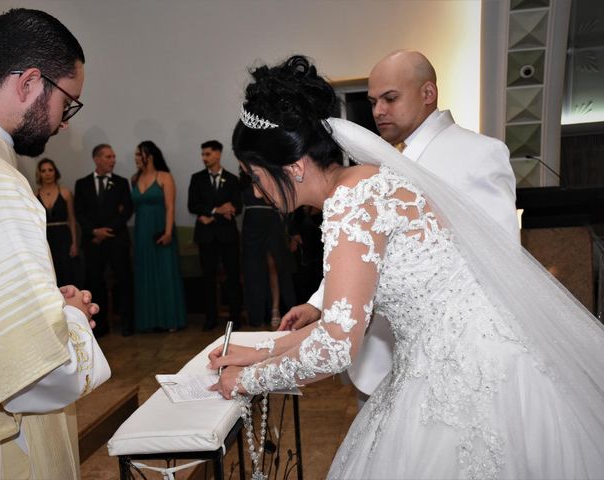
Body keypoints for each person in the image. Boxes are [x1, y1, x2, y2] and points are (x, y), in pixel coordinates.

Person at [209, 55, 604, 479]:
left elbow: (338, 345)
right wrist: (261, 351)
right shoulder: (363, 181)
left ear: (293, 167)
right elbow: (346, 318)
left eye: (254, 175)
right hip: (447, 356)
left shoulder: (353, 201)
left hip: (471, 374)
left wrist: (248, 380)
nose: (254, 188)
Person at [280, 50, 520, 405]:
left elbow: (501, 256)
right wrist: (319, 303)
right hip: (380, 354)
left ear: (428, 93)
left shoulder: (479, 153)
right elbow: (368, 247)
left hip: (453, 358)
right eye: (374, 101)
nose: (378, 111)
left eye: (390, 98)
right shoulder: (375, 161)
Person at [0, 9, 110, 479]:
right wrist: (69, 317)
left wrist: (39, 305)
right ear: (29, 83)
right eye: (68, 102)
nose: (65, 122)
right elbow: (37, 377)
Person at [75, 144, 134, 336]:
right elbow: (80, 213)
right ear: (97, 159)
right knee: (94, 282)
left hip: (117, 240)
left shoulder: (121, 182)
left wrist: (107, 230)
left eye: (114, 157)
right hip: (93, 243)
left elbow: (127, 210)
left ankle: (127, 323)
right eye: (108, 157)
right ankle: (99, 326)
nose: (113, 160)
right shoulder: (82, 184)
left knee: (124, 280)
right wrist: (94, 231)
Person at [131, 140, 187, 332]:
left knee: (165, 274)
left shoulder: (164, 177)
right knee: (145, 273)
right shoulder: (134, 179)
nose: (136, 158)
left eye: (139, 155)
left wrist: (168, 232)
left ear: (150, 156)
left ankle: (169, 320)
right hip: (141, 232)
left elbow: (170, 206)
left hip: (161, 230)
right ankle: (148, 321)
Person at [187, 140, 243, 331]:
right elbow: (192, 205)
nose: (204, 158)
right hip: (206, 237)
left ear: (218, 155)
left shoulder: (233, 179)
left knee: (232, 277)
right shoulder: (197, 179)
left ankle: (235, 318)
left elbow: (237, 207)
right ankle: (210, 318)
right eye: (203, 154)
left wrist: (210, 216)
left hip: (228, 237)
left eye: (208, 154)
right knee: (208, 279)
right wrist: (217, 210)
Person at [239, 170, 296, 328]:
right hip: (251, 225)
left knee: (274, 266)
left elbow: (282, 200)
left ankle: (275, 310)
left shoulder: (270, 173)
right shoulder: (242, 179)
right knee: (253, 270)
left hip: (271, 222)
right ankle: (257, 314)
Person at [36, 158, 79, 286]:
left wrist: (74, 243)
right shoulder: (34, 194)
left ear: (55, 172)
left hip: (63, 237)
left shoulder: (65, 192)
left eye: (50, 170)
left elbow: (72, 219)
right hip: (45, 238)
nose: (47, 173)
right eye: (43, 171)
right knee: (49, 274)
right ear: (39, 174)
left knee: (66, 271)